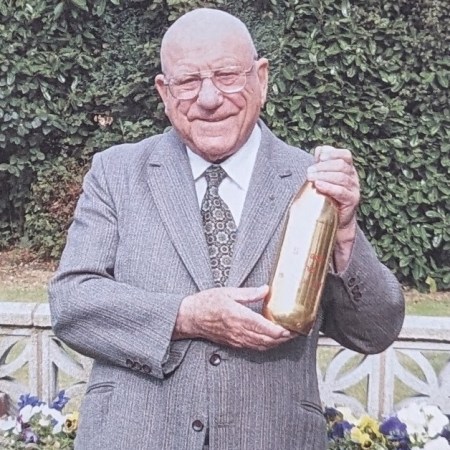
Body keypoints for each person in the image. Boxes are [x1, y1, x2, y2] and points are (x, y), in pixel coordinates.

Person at [49, 8, 404, 450]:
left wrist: (345, 233)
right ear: (164, 91)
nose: (209, 98)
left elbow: (374, 331)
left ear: (262, 79)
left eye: (227, 75)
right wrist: (185, 316)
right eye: (188, 81)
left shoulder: (313, 182)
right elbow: (72, 302)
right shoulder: (116, 172)